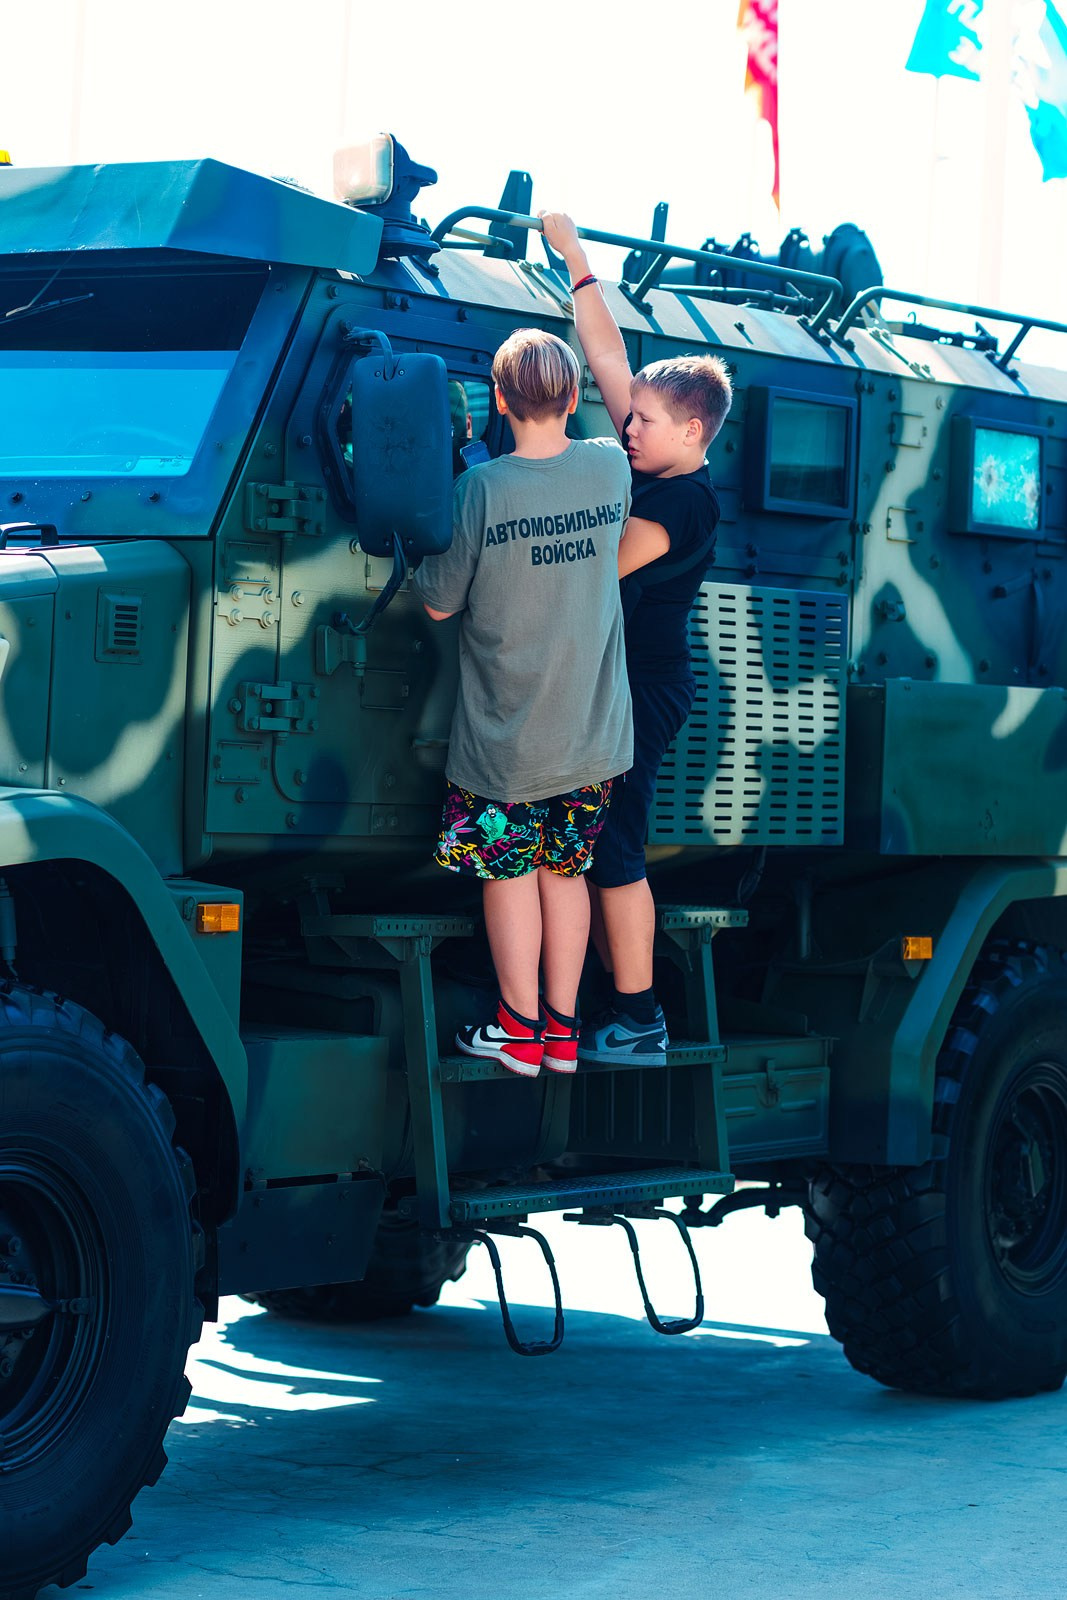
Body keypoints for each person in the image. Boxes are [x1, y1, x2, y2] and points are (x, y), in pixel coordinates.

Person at [539, 211, 733, 1067]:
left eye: (643, 422)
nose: (626, 426)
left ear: (691, 432)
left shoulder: (679, 503)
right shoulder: (650, 457)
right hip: (607, 685)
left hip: (640, 691)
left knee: (615, 845)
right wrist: (577, 261)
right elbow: (610, 358)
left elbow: (594, 568)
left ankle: (638, 1014)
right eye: (631, 419)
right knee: (585, 841)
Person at [414, 328, 633, 1077]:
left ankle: (517, 1030)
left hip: (506, 738)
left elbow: (439, 608)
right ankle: (563, 1035)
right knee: (564, 875)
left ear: (499, 400)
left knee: (508, 877)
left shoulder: (479, 489)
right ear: (572, 398)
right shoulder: (608, 469)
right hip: (593, 733)